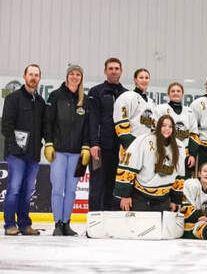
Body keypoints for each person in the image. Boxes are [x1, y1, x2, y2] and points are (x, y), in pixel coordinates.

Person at [44, 64, 90, 236]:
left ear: (81, 78)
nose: (75, 77)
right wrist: (48, 142)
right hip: (59, 151)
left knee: (71, 190)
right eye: (72, 74)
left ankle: (66, 223)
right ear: (67, 76)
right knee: (57, 188)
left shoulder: (84, 100)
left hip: (78, 153)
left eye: (78, 74)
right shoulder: (56, 96)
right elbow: (48, 122)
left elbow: (88, 127)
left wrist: (86, 146)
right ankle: (57, 223)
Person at [1, 64, 46, 235]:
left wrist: (42, 145)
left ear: (39, 78)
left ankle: (25, 224)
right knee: (14, 189)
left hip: (33, 154)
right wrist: (14, 147)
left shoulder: (41, 102)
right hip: (16, 154)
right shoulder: (13, 98)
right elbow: (6, 125)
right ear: (24, 76)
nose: (33, 77)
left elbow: (43, 128)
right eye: (30, 74)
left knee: (27, 191)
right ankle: (9, 225)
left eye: (36, 75)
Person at [114, 115, 185, 212]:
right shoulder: (143, 141)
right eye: (164, 125)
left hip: (163, 198)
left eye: (170, 126)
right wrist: (125, 195)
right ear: (158, 126)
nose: (167, 129)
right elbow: (127, 168)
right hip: (140, 196)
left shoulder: (179, 147)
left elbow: (179, 176)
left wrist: (174, 200)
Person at [87, 58, 127, 211]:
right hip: (101, 148)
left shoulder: (127, 94)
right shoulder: (96, 92)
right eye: (110, 68)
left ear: (121, 71)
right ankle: (95, 222)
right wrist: (94, 143)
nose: (114, 71)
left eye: (117, 68)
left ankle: (113, 221)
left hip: (120, 149)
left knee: (116, 184)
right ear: (105, 71)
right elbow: (92, 119)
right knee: (98, 184)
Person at [155, 82, 199, 169]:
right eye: (173, 91)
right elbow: (156, 131)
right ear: (168, 94)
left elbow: (194, 135)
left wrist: (192, 154)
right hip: (166, 152)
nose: (176, 93)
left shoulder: (189, 112)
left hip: (185, 154)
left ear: (182, 94)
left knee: (183, 181)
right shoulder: (160, 109)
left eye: (178, 91)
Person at [113, 68, 156, 153]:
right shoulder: (127, 97)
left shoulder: (151, 102)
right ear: (135, 80)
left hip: (147, 148)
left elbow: (153, 126)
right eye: (141, 77)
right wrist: (131, 144)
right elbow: (121, 125)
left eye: (146, 78)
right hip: (131, 147)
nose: (144, 80)